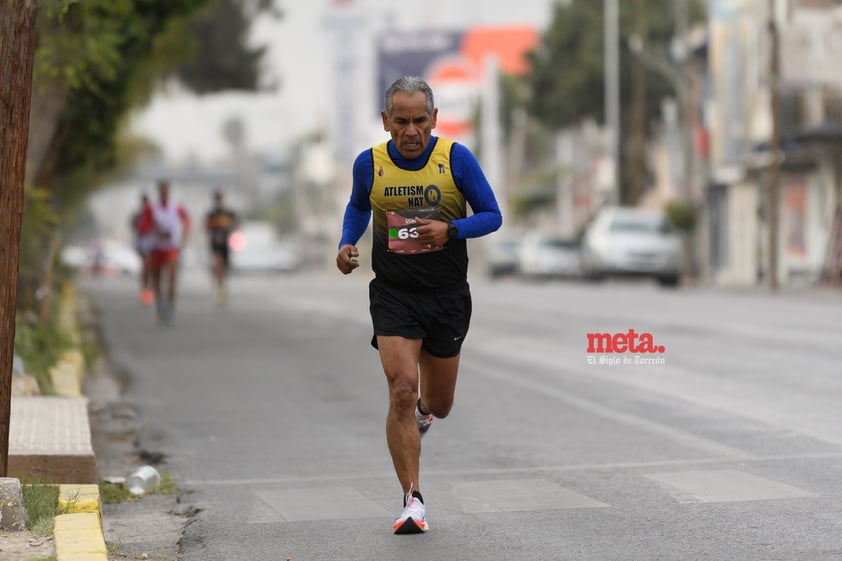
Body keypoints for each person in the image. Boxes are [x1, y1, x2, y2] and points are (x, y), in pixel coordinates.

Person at [336, 76, 502, 534]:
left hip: (447, 295)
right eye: (402, 122)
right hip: (394, 294)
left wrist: (451, 231)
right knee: (401, 389)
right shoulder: (368, 164)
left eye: (420, 121)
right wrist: (347, 244)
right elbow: (357, 207)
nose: (412, 132)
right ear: (386, 121)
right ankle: (413, 499)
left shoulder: (456, 160)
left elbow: (492, 215)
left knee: (439, 403)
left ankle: (428, 412)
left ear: (434, 120)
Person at [141, 179, 191, 325]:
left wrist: (185, 234)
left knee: (171, 277)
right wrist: (154, 228)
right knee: (156, 280)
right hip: (156, 248)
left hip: (171, 247)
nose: (164, 193)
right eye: (161, 190)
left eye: (166, 190)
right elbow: (143, 226)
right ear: (158, 191)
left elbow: (186, 220)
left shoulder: (176, 207)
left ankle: (171, 308)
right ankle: (159, 306)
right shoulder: (152, 209)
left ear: (169, 191)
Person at [204, 190, 239, 305]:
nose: (219, 201)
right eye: (217, 199)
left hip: (226, 244)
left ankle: (222, 287)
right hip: (215, 244)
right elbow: (207, 228)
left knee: (225, 268)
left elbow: (236, 224)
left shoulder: (228, 213)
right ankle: (219, 289)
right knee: (217, 264)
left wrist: (229, 229)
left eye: (220, 199)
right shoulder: (211, 214)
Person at [131, 193, 155, 306]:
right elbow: (135, 229)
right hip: (143, 244)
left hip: (153, 244)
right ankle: (145, 291)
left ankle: (150, 289)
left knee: (151, 268)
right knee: (145, 267)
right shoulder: (138, 216)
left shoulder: (153, 215)